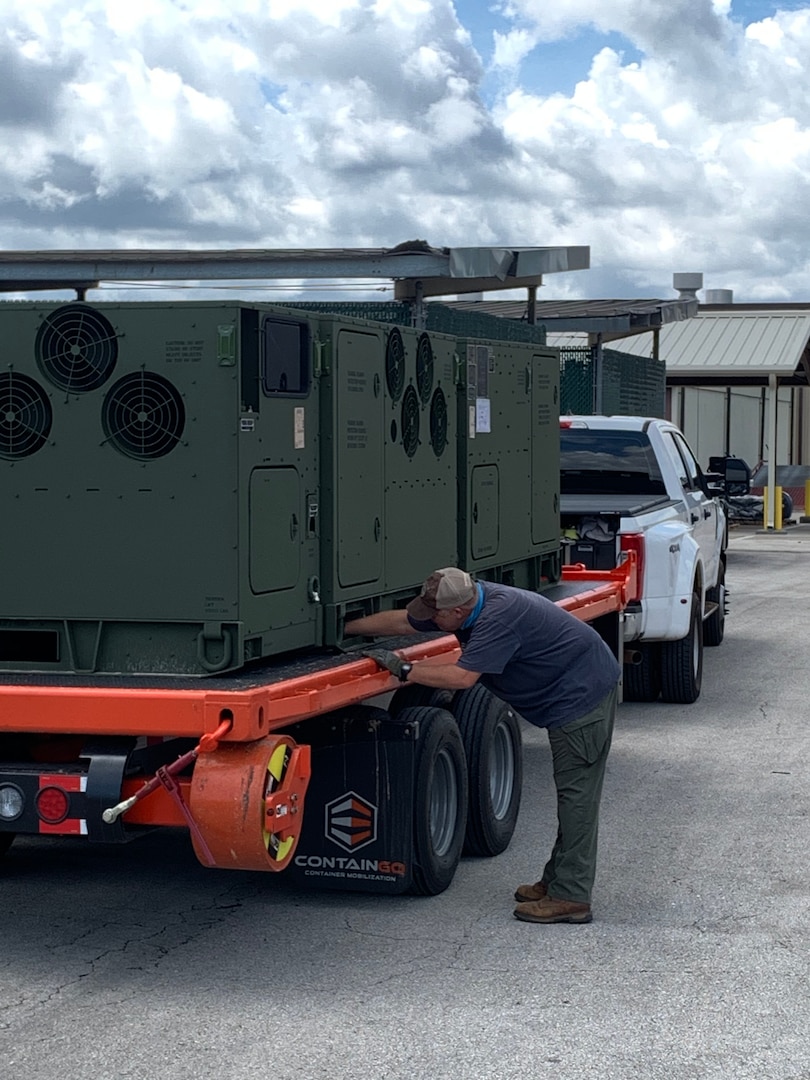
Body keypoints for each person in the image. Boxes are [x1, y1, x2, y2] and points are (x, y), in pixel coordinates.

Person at [344, 566, 620, 925]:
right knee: (573, 799)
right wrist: (347, 628)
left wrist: (405, 669)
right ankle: (558, 880)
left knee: (577, 800)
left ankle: (571, 896)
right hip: (571, 692)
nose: (429, 618)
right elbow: (405, 622)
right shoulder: (469, 598)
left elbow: (461, 677)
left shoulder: (498, 619)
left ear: (457, 611)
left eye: (435, 614)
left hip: (582, 701)